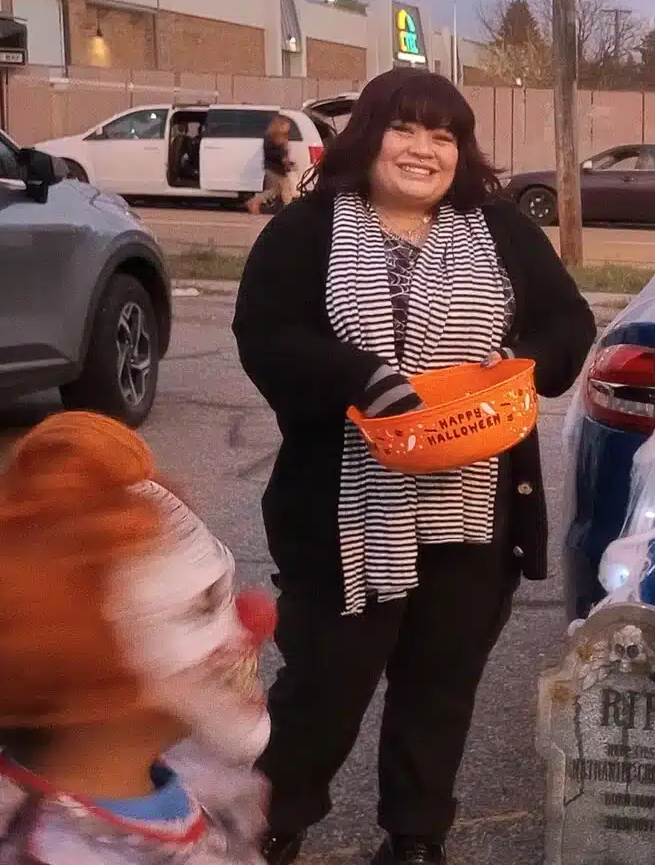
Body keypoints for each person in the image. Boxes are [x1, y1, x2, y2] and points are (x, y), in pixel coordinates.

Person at [232, 68, 597, 865]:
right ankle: (268, 823)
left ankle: (416, 836)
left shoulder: (500, 230)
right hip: (345, 512)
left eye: (444, 135)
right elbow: (267, 334)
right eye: (406, 128)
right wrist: (362, 379)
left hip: (476, 507)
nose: (424, 149)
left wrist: (521, 362)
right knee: (325, 683)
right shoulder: (309, 229)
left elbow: (568, 322)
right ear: (369, 136)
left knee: (440, 685)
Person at [0, 412, 277, 865]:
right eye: (202, 605)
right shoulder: (44, 853)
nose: (259, 620)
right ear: (92, 684)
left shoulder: (185, 778)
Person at [248, 116, 297, 216]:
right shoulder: (274, 139)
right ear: (279, 126)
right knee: (284, 190)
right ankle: (290, 211)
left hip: (275, 168)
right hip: (275, 169)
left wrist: (288, 162)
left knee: (276, 190)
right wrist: (284, 160)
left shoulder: (275, 138)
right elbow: (276, 154)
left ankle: (256, 201)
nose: (288, 128)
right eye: (286, 126)